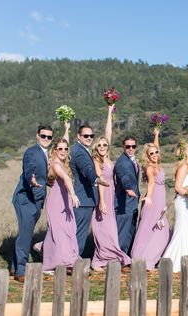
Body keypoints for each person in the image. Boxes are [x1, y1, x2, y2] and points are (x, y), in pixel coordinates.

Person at [90, 105, 131, 271]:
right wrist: (101, 201)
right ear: (95, 147)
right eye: (99, 146)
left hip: (110, 194)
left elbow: (108, 134)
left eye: (104, 145)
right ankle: (99, 260)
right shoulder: (96, 160)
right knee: (102, 229)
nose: (102, 147)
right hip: (103, 195)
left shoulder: (107, 158)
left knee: (110, 230)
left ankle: (105, 258)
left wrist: (109, 112)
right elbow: (99, 180)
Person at [11, 124, 53, 282]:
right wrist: (31, 180)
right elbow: (29, 169)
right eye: (43, 136)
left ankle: (15, 266)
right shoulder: (32, 152)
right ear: (37, 136)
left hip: (37, 199)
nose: (46, 139)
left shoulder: (46, 153)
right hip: (26, 198)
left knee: (25, 232)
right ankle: (21, 271)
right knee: (26, 233)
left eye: (49, 137)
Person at [130, 128, 170, 270]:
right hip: (154, 198)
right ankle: (145, 259)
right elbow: (151, 182)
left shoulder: (157, 163)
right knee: (152, 228)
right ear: (147, 155)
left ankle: (150, 257)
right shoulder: (149, 167)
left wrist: (156, 135)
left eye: (156, 152)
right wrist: (148, 197)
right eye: (151, 153)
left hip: (161, 197)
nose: (154, 154)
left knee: (158, 228)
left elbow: (156, 148)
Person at [42, 133, 81, 273]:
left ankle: (65, 258)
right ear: (55, 151)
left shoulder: (64, 164)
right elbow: (66, 179)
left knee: (69, 229)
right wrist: (74, 194)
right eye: (60, 149)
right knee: (59, 231)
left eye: (65, 149)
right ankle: (52, 263)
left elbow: (64, 141)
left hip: (66, 201)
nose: (63, 151)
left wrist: (66, 128)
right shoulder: (55, 164)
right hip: (57, 202)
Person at [70, 124, 108, 256]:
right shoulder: (79, 152)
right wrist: (96, 179)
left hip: (85, 199)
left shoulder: (80, 149)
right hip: (83, 199)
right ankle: (73, 262)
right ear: (78, 137)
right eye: (85, 136)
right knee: (79, 233)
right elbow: (87, 169)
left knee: (76, 231)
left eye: (91, 136)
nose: (89, 138)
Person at [162, 140, 188, 272]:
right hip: (182, 202)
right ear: (184, 150)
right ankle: (173, 260)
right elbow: (178, 187)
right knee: (181, 230)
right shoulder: (183, 166)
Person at [114, 135, 140, 254]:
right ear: (123, 146)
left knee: (131, 232)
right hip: (124, 203)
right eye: (128, 146)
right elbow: (123, 176)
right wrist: (128, 188)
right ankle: (119, 259)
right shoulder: (121, 162)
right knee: (122, 234)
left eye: (133, 146)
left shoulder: (133, 160)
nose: (131, 149)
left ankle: (127, 257)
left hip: (133, 203)